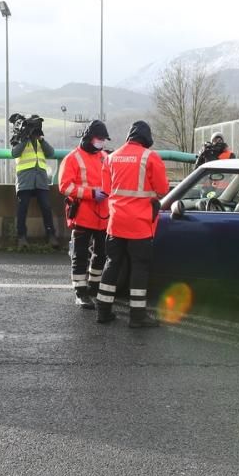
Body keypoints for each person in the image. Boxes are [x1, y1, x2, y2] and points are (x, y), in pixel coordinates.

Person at [96, 121, 170, 327]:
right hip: (139, 224)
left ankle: (103, 311)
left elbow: (106, 189)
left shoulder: (111, 158)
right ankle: (137, 316)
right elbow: (163, 188)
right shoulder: (150, 157)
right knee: (140, 267)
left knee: (112, 264)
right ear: (146, 138)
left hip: (116, 222)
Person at [58, 120, 110, 309]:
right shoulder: (73, 158)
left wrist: (106, 192)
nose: (102, 142)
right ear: (89, 138)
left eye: (104, 139)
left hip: (102, 216)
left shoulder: (104, 156)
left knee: (101, 254)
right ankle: (80, 292)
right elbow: (65, 186)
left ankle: (94, 287)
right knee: (80, 255)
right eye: (99, 139)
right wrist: (91, 193)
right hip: (83, 214)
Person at [11, 114, 59, 249]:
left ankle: (51, 235)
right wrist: (24, 139)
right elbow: (14, 153)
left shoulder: (40, 141)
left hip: (41, 180)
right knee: (22, 209)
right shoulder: (19, 139)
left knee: (46, 207)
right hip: (25, 179)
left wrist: (42, 139)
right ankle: (21, 237)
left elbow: (51, 153)